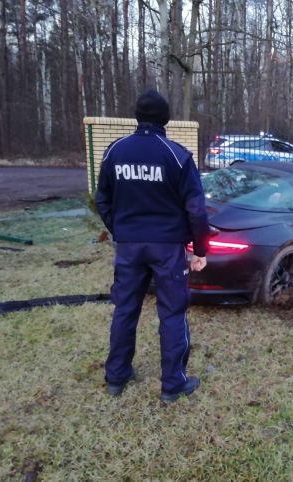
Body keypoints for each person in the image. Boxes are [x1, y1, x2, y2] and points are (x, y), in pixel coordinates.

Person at [95, 89, 210, 403]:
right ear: (166, 119)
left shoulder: (114, 151)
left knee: (125, 309)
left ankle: (116, 376)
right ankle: (173, 384)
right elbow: (197, 209)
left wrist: (120, 228)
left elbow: (102, 199)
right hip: (167, 249)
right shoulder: (176, 155)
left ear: (137, 116)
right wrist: (200, 250)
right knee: (172, 313)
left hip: (130, 246)